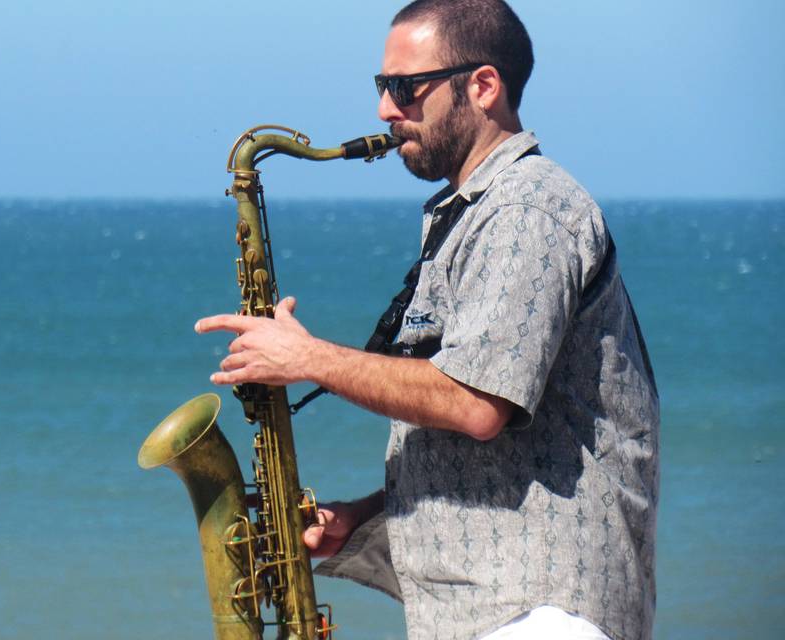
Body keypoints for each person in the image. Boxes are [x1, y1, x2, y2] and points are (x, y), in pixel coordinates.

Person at [195, 1, 659, 638]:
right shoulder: (474, 213)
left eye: (406, 87)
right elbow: (507, 451)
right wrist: (367, 516)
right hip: (495, 613)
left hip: (541, 615)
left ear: (484, 86)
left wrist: (305, 359)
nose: (386, 110)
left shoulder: (530, 209)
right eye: (382, 87)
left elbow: (475, 403)